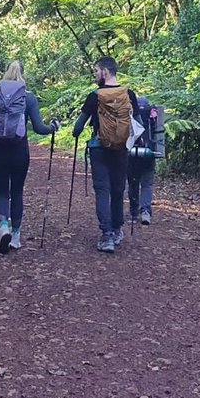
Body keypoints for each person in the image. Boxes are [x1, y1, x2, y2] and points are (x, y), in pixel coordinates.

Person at [0, 61, 58, 254]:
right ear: (22, 76)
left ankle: (3, 228)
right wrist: (53, 127)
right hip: (19, 152)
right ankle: (15, 236)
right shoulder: (29, 99)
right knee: (17, 192)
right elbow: (40, 128)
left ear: (5, 74)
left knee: (2, 192)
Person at [72, 56, 137, 253]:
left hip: (99, 148)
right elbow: (138, 124)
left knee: (102, 190)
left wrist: (76, 133)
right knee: (118, 190)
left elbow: (77, 127)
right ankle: (117, 230)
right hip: (122, 149)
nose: (95, 75)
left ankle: (106, 235)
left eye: (96, 71)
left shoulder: (95, 96)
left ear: (105, 72)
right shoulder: (129, 94)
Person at [126, 94, 157, 226]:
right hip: (149, 153)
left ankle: (133, 213)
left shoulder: (128, 114)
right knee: (147, 184)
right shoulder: (153, 116)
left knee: (133, 182)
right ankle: (145, 212)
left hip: (131, 154)